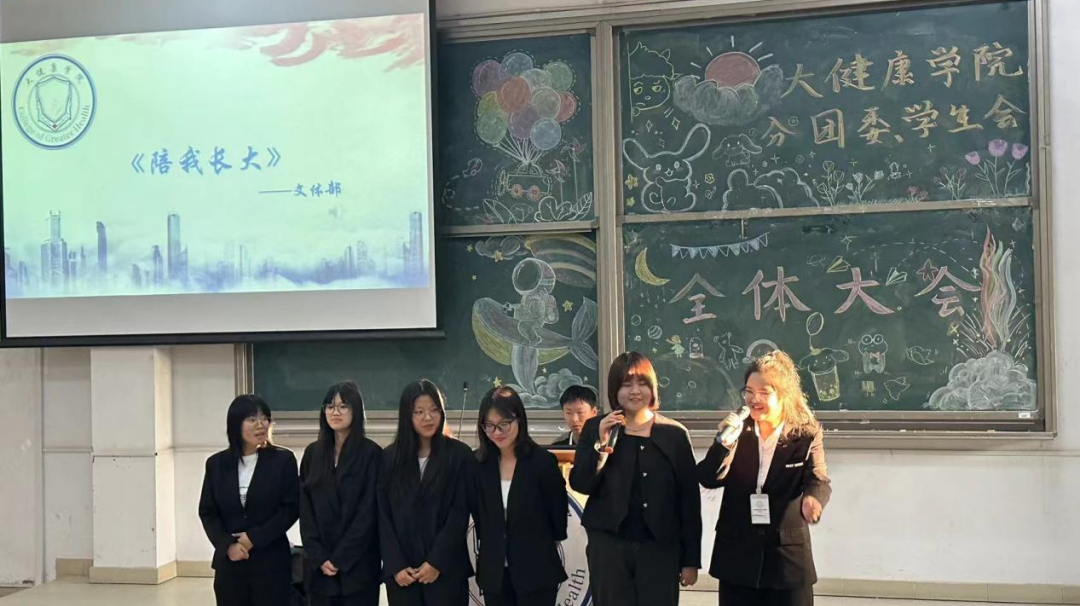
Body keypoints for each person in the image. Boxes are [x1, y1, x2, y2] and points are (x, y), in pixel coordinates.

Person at [696, 350, 831, 606]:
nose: (754, 399)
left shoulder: (805, 435)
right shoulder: (738, 431)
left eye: (764, 392)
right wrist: (723, 443)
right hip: (737, 555)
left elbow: (818, 479)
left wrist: (814, 499)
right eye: (749, 391)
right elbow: (708, 477)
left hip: (786, 560)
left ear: (784, 395)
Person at [569, 351, 701, 606]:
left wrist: (690, 560)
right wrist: (601, 445)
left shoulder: (674, 434)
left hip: (659, 549)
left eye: (642, 383)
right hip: (609, 547)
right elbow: (581, 483)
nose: (635, 391)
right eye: (626, 384)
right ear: (614, 389)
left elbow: (689, 501)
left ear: (652, 388)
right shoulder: (595, 427)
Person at [379, 380, 474, 606]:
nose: (428, 417)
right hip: (404, 575)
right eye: (419, 412)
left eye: (434, 410)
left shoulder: (459, 455)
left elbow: (459, 513)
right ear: (406, 416)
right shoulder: (389, 458)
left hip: (446, 571)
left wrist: (436, 562)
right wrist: (396, 565)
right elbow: (382, 515)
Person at [471, 386, 568, 606]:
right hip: (494, 574)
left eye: (504, 424)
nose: (497, 432)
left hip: (537, 571)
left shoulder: (542, 462)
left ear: (519, 420)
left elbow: (557, 518)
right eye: (489, 425)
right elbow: (479, 515)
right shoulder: (478, 464)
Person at [199, 394, 299, 606]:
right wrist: (228, 545)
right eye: (252, 419)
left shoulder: (283, 460)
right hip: (231, 563)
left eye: (264, 418)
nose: (260, 424)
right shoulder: (216, 464)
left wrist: (253, 538)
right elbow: (208, 512)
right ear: (236, 424)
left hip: (270, 562)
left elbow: (290, 509)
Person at [299, 382, 383, 606]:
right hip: (320, 566)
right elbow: (305, 509)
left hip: (358, 566)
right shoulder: (312, 453)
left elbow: (369, 512)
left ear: (356, 410)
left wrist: (341, 558)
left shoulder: (372, 454)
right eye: (330, 406)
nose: (335, 412)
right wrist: (318, 556)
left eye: (343, 406)